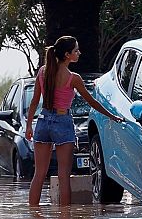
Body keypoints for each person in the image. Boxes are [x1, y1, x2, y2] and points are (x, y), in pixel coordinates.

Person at [25, 36, 124, 206]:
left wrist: (29, 126)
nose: (79, 53)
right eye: (76, 50)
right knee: (64, 175)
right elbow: (92, 102)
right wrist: (113, 116)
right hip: (62, 121)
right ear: (67, 54)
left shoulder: (43, 71)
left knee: (39, 174)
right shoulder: (73, 78)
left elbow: (34, 101)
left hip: (43, 120)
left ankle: (33, 216)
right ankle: (65, 218)